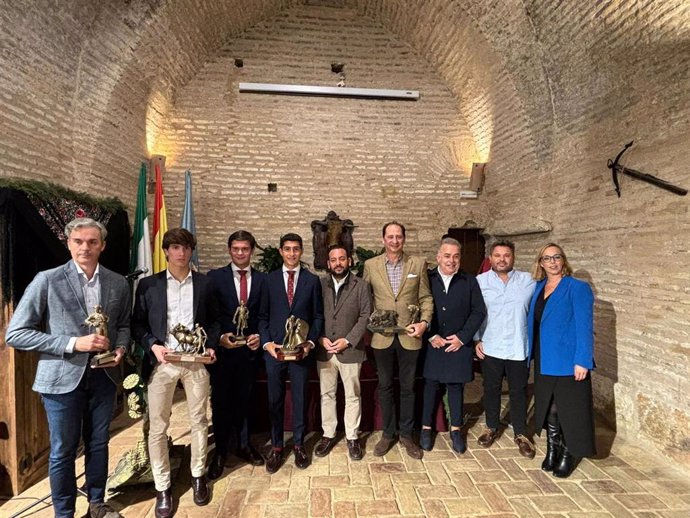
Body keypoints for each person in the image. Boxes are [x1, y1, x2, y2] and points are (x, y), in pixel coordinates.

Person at [6, 217, 130, 518]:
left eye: (91, 242)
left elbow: (123, 324)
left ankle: (97, 503)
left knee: (99, 443)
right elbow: (16, 334)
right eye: (78, 241)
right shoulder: (47, 280)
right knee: (63, 450)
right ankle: (64, 512)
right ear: (69, 243)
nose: (84, 247)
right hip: (61, 380)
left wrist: (121, 349)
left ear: (102, 245)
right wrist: (74, 343)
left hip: (103, 376)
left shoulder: (117, 282)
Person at [132, 228, 219, 518]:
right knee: (158, 426)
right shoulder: (149, 286)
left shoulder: (205, 285)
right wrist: (153, 347)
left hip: (196, 363)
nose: (181, 253)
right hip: (163, 362)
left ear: (191, 251)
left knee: (198, 420)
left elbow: (216, 322)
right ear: (166, 251)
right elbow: (138, 325)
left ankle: (198, 476)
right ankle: (163, 486)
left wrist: (212, 345)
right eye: (175, 248)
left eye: (186, 248)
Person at [363, 221, 433, 459]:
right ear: (383, 239)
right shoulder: (370, 265)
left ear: (404, 239)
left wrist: (424, 323)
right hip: (381, 338)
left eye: (398, 237)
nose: (394, 241)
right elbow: (366, 300)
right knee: (384, 386)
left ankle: (406, 435)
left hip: (410, 337)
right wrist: (371, 323)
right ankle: (387, 434)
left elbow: (425, 297)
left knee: (408, 387)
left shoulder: (418, 264)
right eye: (390, 237)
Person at [528, 243, 596, 478]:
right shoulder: (538, 287)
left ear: (563, 260)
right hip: (545, 358)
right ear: (541, 263)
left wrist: (583, 360)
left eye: (557, 257)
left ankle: (569, 453)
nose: (552, 262)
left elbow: (584, 326)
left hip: (569, 361)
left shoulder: (577, 288)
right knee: (549, 407)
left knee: (568, 409)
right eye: (547, 258)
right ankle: (552, 449)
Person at [259, 233, 324, 473]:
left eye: (296, 249)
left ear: (301, 251)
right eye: (287, 249)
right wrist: (268, 344)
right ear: (280, 251)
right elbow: (263, 316)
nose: (292, 253)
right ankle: (277, 446)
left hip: (300, 353)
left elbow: (318, 316)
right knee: (274, 400)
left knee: (300, 399)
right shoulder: (269, 280)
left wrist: (309, 343)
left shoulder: (311, 280)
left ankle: (298, 444)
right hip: (275, 352)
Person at [206, 230, 267, 478]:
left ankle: (243, 444)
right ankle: (220, 450)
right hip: (223, 351)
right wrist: (220, 337)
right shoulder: (214, 278)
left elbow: (264, 315)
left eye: (245, 249)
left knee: (245, 400)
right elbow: (212, 314)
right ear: (230, 250)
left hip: (249, 353)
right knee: (220, 402)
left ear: (251, 250)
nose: (240, 253)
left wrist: (260, 336)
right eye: (236, 249)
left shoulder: (263, 280)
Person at [420, 238, 486, 453]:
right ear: (438, 256)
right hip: (433, 343)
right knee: (430, 386)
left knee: (456, 387)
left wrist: (463, 338)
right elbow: (416, 307)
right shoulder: (427, 279)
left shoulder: (469, 281)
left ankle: (456, 430)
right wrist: (430, 335)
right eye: (447, 256)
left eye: (456, 256)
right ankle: (426, 428)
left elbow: (478, 311)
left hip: (459, 344)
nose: (451, 260)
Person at [475, 240, 537, 458]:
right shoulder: (480, 282)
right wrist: (476, 339)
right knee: (490, 388)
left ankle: (521, 433)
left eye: (506, 255)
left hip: (519, 346)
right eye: (497, 255)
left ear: (513, 257)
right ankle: (491, 427)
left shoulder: (529, 281)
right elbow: (474, 312)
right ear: (490, 258)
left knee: (518, 391)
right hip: (490, 345)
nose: (502, 259)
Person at [314, 245, 372, 460]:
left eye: (341, 259)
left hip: (351, 350)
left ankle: (352, 437)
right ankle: (328, 434)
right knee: (326, 394)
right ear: (328, 263)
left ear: (349, 260)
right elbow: (314, 313)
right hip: (325, 350)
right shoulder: (319, 285)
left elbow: (366, 315)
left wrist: (347, 340)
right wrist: (320, 338)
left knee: (352, 395)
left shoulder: (361, 285)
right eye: (333, 259)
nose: (338, 263)